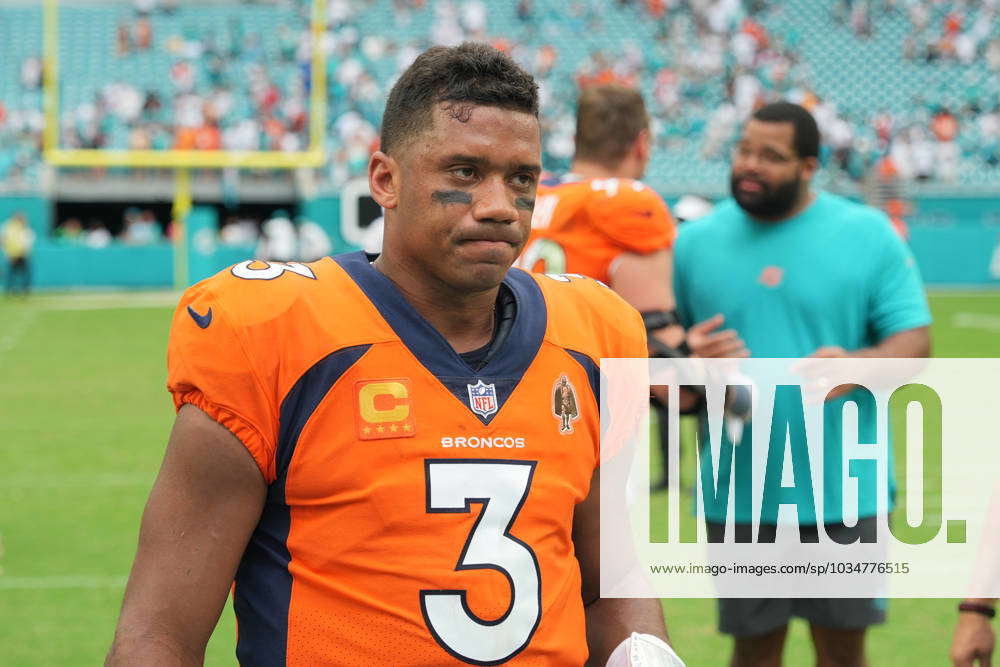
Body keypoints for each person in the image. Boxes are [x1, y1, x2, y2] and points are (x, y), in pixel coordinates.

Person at [106, 43, 684, 666]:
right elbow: (158, 635)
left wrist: (644, 650)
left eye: (521, 179)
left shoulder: (593, 333)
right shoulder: (277, 331)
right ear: (386, 179)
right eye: (464, 172)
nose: (498, 206)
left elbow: (609, 583)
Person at [672, 101, 932, 667]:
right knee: (753, 654)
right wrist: (690, 360)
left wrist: (860, 365)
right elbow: (674, 371)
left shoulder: (867, 233)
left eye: (772, 156)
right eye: (744, 149)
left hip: (845, 489)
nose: (750, 164)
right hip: (737, 491)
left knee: (842, 655)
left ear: (810, 166)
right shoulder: (694, 242)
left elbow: (914, 341)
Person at [516, 83, 744, 489]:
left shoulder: (533, 194)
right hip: (581, 420)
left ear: (577, 140)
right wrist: (716, 382)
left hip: (509, 403)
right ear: (641, 144)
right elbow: (658, 350)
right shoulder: (627, 202)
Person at [1, 211, 35, 296]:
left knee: (25, 273)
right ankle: (9, 290)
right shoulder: (8, 227)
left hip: (23, 255)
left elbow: (28, 242)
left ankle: (24, 290)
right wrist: (8, 254)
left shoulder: (25, 228)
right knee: (10, 274)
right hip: (12, 255)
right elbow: (4, 241)